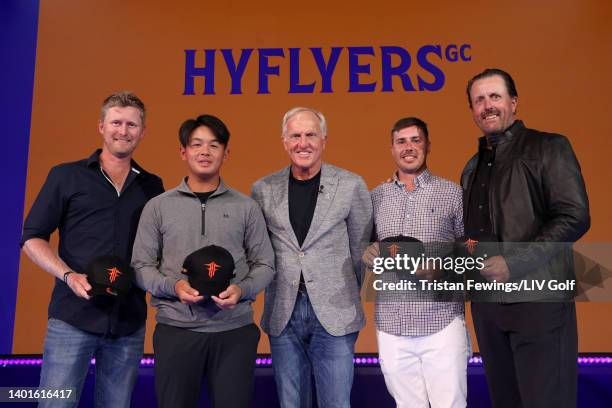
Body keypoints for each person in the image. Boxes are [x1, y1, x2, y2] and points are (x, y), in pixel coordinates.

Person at [20, 91, 164, 407]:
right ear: (101, 126)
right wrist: (68, 275)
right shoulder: (66, 176)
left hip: (128, 322)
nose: (123, 131)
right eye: (116, 122)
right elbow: (32, 238)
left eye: (131, 125)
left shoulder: (153, 187)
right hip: (72, 318)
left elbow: (159, 251)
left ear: (142, 132)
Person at [462, 68, 590, 407]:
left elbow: (574, 216)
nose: (487, 106)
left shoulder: (548, 147)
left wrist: (513, 264)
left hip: (540, 305)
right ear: (472, 110)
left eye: (494, 96)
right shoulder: (471, 167)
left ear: (513, 103)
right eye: (478, 100)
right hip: (488, 309)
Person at [131, 114, 274, 408]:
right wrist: (174, 286)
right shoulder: (158, 207)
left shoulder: (246, 207)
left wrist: (242, 290)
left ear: (226, 153)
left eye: (214, 145)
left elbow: (265, 264)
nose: (205, 152)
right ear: (183, 152)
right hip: (176, 331)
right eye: (196, 145)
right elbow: (140, 266)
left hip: (234, 331)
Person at [251, 107, 372, 408]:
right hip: (283, 312)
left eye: (310, 135)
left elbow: (361, 250)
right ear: (284, 141)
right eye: (295, 135)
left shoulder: (351, 185)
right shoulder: (262, 190)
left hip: (334, 312)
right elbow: (260, 252)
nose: (302, 143)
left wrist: (340, 290)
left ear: (324, 140)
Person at [364, 117, 467, 407]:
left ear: (428, 146)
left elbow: (469, 250)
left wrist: (441, 269)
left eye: (415, 140)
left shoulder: (452, 194)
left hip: (442, 321)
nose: (408, 147)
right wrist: (368, 253)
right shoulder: (376, 197)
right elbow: (366, 248)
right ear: (392, 149)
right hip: (392, 324)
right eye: (401, 141)